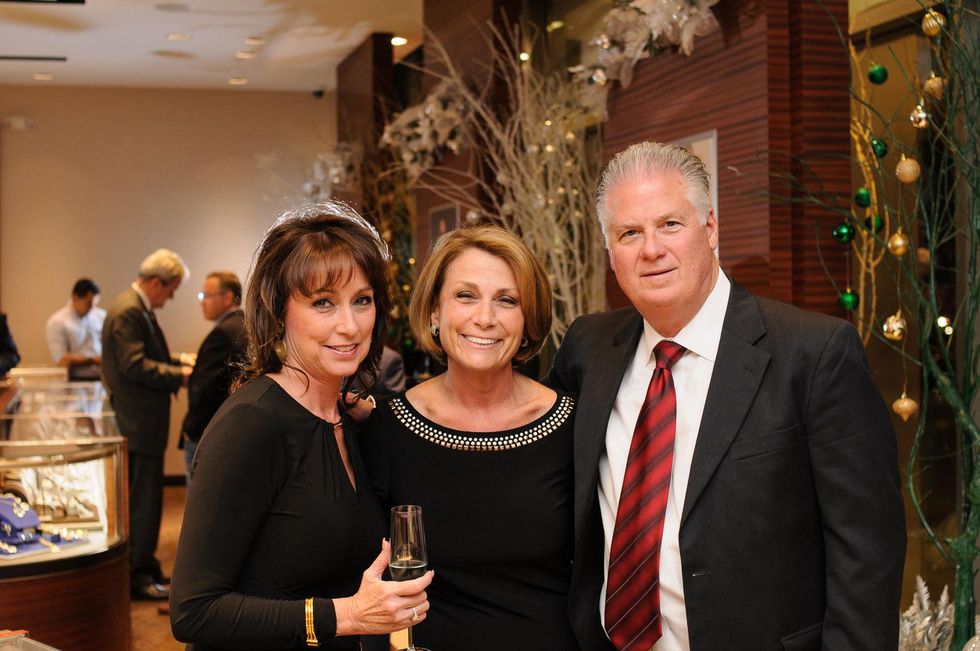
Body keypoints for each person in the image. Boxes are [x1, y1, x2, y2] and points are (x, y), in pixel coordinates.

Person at [544, 141, 906, 650]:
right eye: (629, 233)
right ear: (610, 253)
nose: (651, 249)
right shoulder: (587, 350)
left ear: (710, 228)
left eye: (670, 224)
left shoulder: (814, 354)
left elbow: (867, 556)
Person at [170, 202, 432, 651]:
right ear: (277, 313)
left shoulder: (343, 417)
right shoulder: (252, 425)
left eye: (362, 301)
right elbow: (194, 611)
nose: (349, 326)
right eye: (323, 303)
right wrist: (345, 615)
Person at [361, 225, 578, 650]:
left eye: (507, 300)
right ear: (434, 312)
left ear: (528, 320)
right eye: (465, 295)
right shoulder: (382, 429)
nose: (485, 318)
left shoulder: (575, 424)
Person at [101, 249, 193, 601]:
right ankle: (137, 575)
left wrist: (176, 362)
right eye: (170, 291)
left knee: (146, 499)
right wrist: (181, 375)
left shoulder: (132, 306)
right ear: (158, 282)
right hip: (137, 423)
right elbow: (134, 365)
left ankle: (146, 565)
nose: (169, 299)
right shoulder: (129, 310)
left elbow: (145, 357)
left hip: (140, 422)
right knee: (143, 502)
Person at [180, 271, 246, 487]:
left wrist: (191, 431)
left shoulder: (223, 333)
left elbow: (204, 390)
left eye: (206, 295)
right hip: (233, 431)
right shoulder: (244, 324)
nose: (202, 302)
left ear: (227, 298)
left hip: (207, 433)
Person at [45, 277, 106, 380]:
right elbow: (61, 359)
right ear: (75, 298)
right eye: (88, 304)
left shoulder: (101, 315)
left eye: (95, 304)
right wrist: (93, 360)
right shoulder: (57, 321)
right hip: (76, 380)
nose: (91, 308)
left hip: (102, 377)